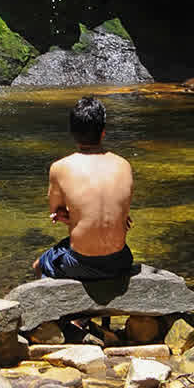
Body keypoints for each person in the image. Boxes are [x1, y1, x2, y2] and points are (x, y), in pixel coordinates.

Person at [32, 95, 136, 279]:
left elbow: (56, 212)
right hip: (121, 259)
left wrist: (72, 217)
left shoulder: (60, 167)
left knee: (39, 265)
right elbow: (123, 216)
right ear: (103, 132)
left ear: (72, 133)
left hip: (80, 262)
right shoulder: (124, 165)